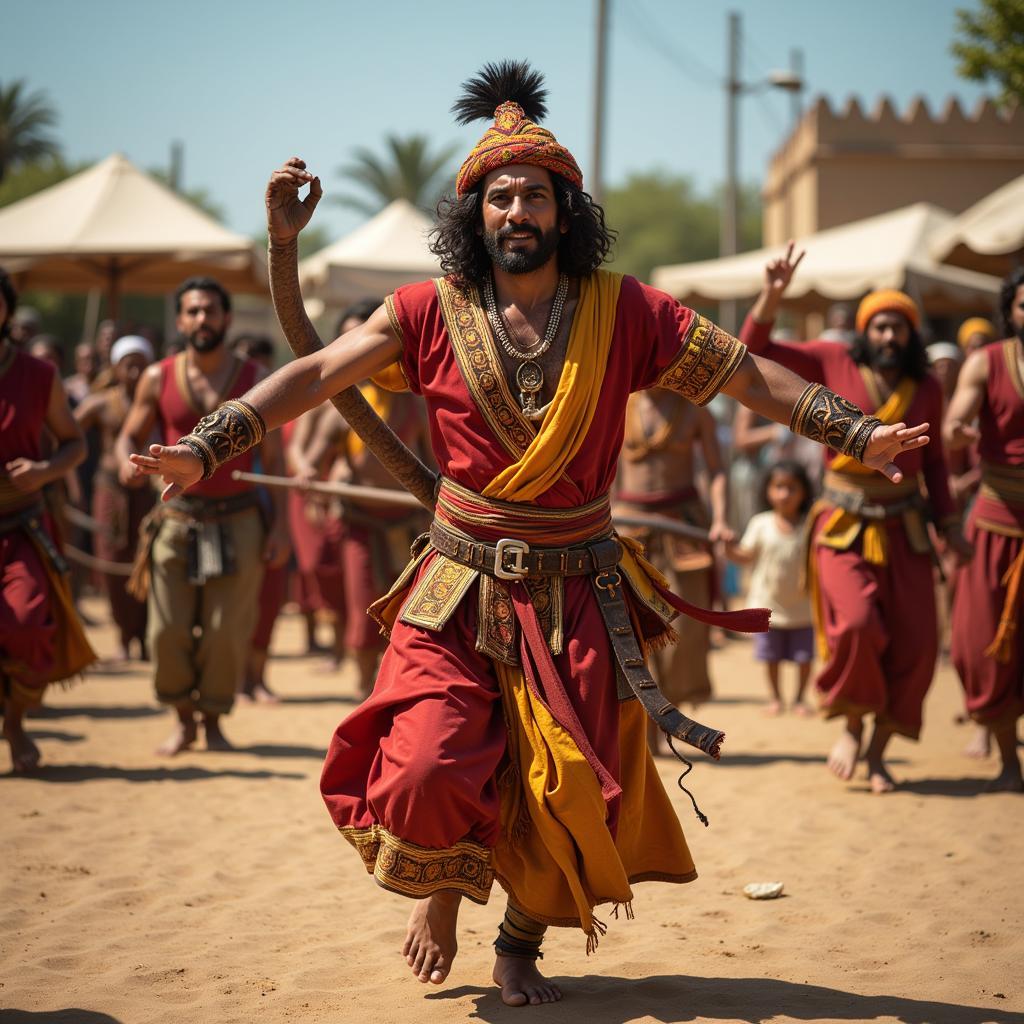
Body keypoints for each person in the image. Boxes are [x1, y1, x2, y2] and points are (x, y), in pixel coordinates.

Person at [131, 63, 931, 1006]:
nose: (518, 209)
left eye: (536, 195)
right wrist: (208, 444)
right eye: (500, 195)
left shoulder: (628, 309)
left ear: (568, 211)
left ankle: (518, 939)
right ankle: (441, 887)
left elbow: (751, 376)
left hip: (580, 588)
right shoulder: (427, 309)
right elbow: (319, 371)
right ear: (474, 217)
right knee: (430, 761)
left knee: (576, 789)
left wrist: (856, 431)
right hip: (457, 585)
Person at [739, 243, 971, 793]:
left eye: (899, 327)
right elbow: (753, 350)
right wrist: (772, 293)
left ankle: (878, 752)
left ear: (911, 334)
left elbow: (935, 462)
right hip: (843, 525)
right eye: (880, 326)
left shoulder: (930, 387)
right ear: (866, 331)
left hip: (907, 527)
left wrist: (949, 524)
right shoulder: (831, 360)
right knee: (859, 625)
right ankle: (848, 725)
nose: (890, 336)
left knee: (917, 645)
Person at [116, 277, 290, 755]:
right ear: (179, 320)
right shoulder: (157, 377)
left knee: (226, 631)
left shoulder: (254, 378)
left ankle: (213, 721)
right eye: (192, 312)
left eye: (210, 311)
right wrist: (123, 465)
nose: (201, 320)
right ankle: (182, 720)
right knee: (167, 629)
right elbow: (128, 435)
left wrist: (281, 526)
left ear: (227, 319)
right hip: (175, 519)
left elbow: (275, 464)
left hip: (241, 521)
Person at [297, 299, 433, 696]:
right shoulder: (343, 402)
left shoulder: (415, 403)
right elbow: (312, 454)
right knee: (362, 608)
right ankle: (363, 690)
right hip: (359, 522)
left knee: (410, 612)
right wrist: (307, 469)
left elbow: (433, 460)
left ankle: (400, 688)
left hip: (409, 526)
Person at [0, 267, 95, 773]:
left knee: (25, 623)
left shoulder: (38, 376)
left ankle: (15, 723)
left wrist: (43, 470)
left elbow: (75, 443)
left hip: (21, 529)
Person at [614, 391, 731, 746]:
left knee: (684, 631)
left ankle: (668, 712)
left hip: (684, 529)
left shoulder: (695, 410)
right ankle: (646, 727)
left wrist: (721, 519)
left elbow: (717, 471)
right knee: (632, 628)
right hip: (629, 529)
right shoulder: (618, 403)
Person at [945, 266, 1024, 792]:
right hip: (997, 520)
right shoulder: (986, 361)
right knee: (979, 647)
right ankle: (1007, 760)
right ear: (1010, 309)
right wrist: (960, 429)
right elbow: (954, 425)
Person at [75, 335, 156, 661]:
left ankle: (147, 638)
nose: (135, 373)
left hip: (150, 492)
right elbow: (62, 431)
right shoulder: (100, 403)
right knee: (111, 563)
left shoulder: (157, 400)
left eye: (141, 365)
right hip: (110, 491)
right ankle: (123, 636)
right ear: (116, 367)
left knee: (149, 560)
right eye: (128, 365)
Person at [727, 460, 815, 715]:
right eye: (779, 487)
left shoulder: (810, 525)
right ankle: (776, 697)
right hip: (769, 606)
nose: (784, 494)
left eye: (792, 488)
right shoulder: (760, 524)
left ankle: (799, 698)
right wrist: (728, 548)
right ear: (768, 490)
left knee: (804, 657)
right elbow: (745, 556)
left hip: (803, 607)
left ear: (804, 492)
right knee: (771, 657)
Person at [65, 342, 101, 406]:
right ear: (76, 362)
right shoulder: (68, 387)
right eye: (85, 359)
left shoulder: (105, 383)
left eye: (93, 358)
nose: (90, 363)